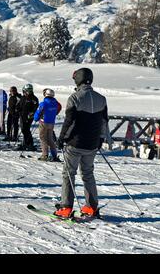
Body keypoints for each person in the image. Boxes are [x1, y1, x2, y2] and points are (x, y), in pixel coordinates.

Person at [55, 68, 108, 218]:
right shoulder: (101, 99)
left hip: (75, 143)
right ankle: (91, 206)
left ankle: (65, 207)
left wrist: (61, 138)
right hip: (92, 144)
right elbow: (104, 122)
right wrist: (101, 139)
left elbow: (69, 121)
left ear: (78, 79)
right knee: (88, 174)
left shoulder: (75, 97)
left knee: (68, 174)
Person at [34, 88, 62, 162]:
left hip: (44, 122)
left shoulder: (43, 103)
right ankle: (54, 155)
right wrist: (55, 113)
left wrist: (36, 118)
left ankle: (45, 155)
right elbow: (59, 107)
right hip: (51, 123)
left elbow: (37, 113)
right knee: (50, 139)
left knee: (43, 138)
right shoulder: (55, 102)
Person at [16, 84, 39, 151]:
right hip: (22, 116)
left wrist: (31, 114)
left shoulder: (34, 98)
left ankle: (29, 144)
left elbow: (35, 108)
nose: (24, 92)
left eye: (25, 91)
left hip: (29, 117)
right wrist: (17, 109)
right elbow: (20, 105)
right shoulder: (23, 97)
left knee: (26, 130)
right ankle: (26, 143)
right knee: (24, 130)